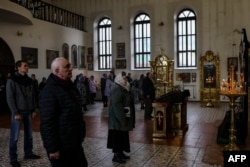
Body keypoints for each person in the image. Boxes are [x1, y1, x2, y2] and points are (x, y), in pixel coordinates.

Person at [39, 57, 88, 167]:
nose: (71, 68)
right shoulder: (49, 91)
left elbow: (76, 113)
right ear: (57, 71)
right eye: (67, 67)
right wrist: (52, 148)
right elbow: (47, 123)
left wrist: (81, 132)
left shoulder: (70, 86)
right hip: (61, 146)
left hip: (74, 142)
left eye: (70, 65)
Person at [6, 60, 40, 167]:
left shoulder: (30, 81)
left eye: (27, 66)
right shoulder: (12, 80)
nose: (27, 67)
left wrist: (34, 109)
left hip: (29, 112)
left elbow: (33, 96)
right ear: (18, 68)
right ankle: (13, 158)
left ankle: (28, 153)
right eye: (25, 66)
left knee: (29, 135)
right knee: (15, 136)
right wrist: (15, 112)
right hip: (18, 112)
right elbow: (10, 98)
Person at [107, 72, 135, 164]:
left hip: (123, 118)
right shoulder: (116, 89)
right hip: (117, 119)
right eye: (124, 78)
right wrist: (122, 119)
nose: (126, 80)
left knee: (122, 136)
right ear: (119, 79)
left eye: (126, 78)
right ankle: (116, 156)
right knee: (117, 137)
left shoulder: (123, 88)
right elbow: (117, 106)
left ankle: (121, 153)